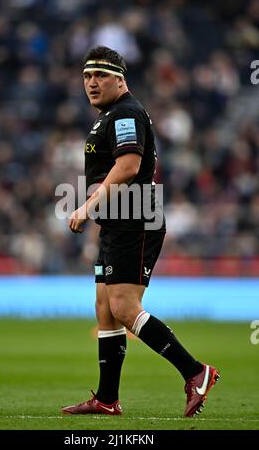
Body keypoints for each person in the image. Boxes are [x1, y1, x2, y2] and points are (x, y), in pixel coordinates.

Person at [62, 45, 219, 418]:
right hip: (118, 220)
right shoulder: (111, 115)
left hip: (136, 218)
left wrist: (87, 205)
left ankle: (196, 371)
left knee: (123, 306)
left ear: (120, 79)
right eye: (87, 76)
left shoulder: (126, 113)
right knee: (104, 308)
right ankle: (106, 398)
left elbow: (129, 166)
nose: (92, 83)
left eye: (100, 75)